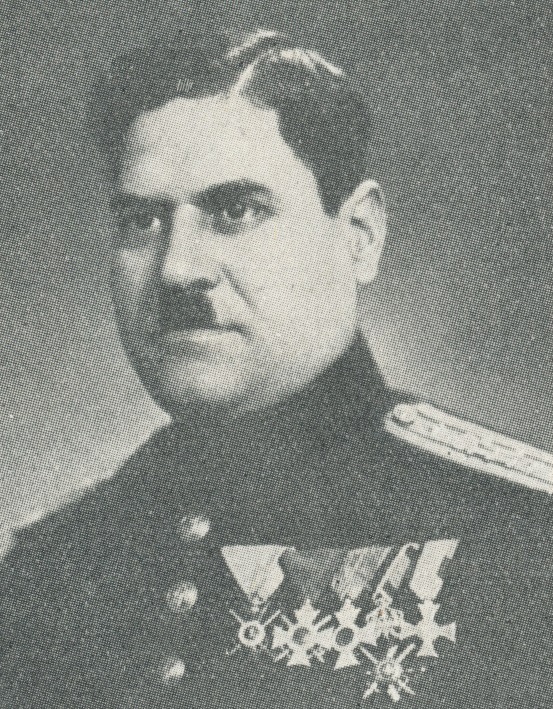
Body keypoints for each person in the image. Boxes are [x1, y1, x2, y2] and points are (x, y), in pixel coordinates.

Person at [1, 29, 551, 709]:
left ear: (358, 236)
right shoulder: (50, 572)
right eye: (141, 221)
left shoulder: (524, 537)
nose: (176, 269)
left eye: (234, 211)